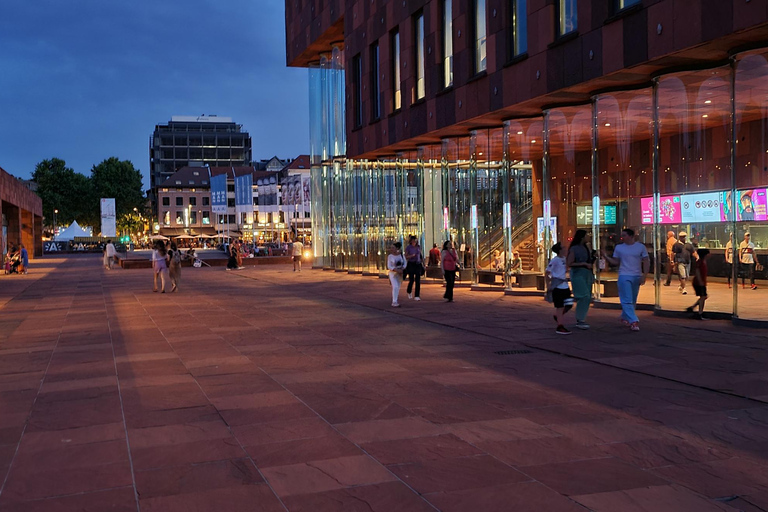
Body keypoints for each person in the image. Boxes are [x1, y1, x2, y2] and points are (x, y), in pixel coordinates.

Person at [601, 228, 650, 332]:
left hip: (636, 275)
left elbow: (646, 261)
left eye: (624, 235)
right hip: (624, 275)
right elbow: (616, 262)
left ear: (631, 236)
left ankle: (625, 317)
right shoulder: (619, 248)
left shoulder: (640, 247)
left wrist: (644, 275)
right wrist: (605, 256)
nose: (622, 237)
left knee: (632, 299)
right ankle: (634, 320)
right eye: (622, 235)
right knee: (626, 299)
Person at [566, 229, 594, 330]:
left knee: (587, 295)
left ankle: (581, 318)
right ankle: (580, 319)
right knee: (584, 296)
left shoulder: (586, 247)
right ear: (582, 237)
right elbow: (569, 263)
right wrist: (583, 263)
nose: (589, 237)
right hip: (578, 273)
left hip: (587, 273)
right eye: (587, 235)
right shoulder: (575, 248)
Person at [545, 243, 573, 335]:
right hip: (558, 286)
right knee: (560, 306)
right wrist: (549, 284)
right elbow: (547, 272)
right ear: (560, 250)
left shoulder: (564, 259)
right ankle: (560, 325)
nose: (566, 249)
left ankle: (558, 316)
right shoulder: (555, 260)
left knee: (569, 303)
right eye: (564, 247)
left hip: (565, 285)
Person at [686, 248, 710, 320]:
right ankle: (700, 313)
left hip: (700, 282)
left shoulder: (702, 261)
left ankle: (693, 308)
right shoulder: (700, 262)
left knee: (704, 296)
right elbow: (697, 272)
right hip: (699, 282)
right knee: (703, 297)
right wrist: (701, 282)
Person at [404, 235, 423, 301]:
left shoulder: (418, 247)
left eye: (415, 240)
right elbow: (405, 256)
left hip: (417, 264)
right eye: (413, 240)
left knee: (418, 280)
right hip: (411, 263)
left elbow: (420, 255)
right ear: (411, 241)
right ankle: (409, 291)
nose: (414, 241)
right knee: (411, 279)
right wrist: (411, 256)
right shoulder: (408, 247)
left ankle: (417, 295)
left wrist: (422, 262)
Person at [387, 242, 406, 307]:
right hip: (393, 273)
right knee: (395, 286)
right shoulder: (390, 256)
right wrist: (395, 269)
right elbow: (389, 266)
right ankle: (394, 301)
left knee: (398, 287)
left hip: (400, 273)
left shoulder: (401, 255)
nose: (391, 249)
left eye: (393, 248)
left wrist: (402, 269)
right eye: (391, 248)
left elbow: (405, 263)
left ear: (397, 248)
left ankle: (396, 300)